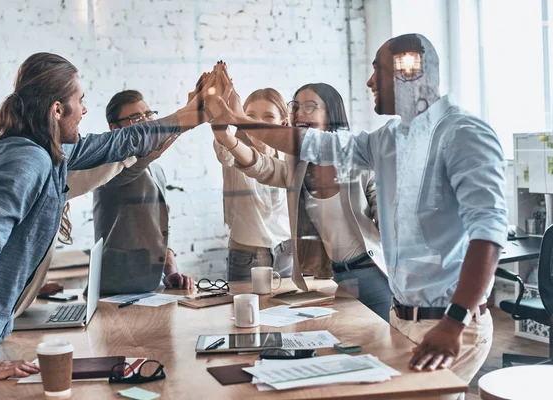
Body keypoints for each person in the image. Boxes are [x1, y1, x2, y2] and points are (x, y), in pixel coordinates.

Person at [209, 34, 507, 388]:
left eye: (377, 71)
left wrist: (454, 322)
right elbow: (314, 144)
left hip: (450, 322)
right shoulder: (390, 138)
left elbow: (488, 233)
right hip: (403, 317)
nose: (369, 82)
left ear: (409, 71)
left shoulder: (463, 133)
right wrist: (237, 120)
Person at [0, 53, 220, 388]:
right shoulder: (26, 161)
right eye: (80, 100)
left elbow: (125, 140)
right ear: (57, 109)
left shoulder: (49, 153)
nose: (84, 110)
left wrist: (189, 115)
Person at [213, 79, 390, 321]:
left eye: (310, 106)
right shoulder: (297, 164)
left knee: (389, 344)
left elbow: (390, 224)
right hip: (340, 277)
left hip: (373, 272)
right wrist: (227, 136)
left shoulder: (360, 160)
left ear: (331, 113)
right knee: (352, 343)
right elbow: (263, 167)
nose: (299, 113)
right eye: (295, 106)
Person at [93, 90, 193, 293]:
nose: (147, 122)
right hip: (115, 285)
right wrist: (185, 118)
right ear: (114, 129)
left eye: (149, 115)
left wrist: (170, 268)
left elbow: (159, 224)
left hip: (151, 284)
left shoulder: (155, 169)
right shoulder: (105, 167)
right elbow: (130, 169)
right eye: (136, 118)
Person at [212, 88, 293, 280]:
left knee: (287, 310)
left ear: (282, 122)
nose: (258, 123)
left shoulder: (290, 156)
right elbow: (222, 146)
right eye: (250, 116)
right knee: (244, 310)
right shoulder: (234, 151)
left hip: (288, 254)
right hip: (246, 257)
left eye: (268, 117)